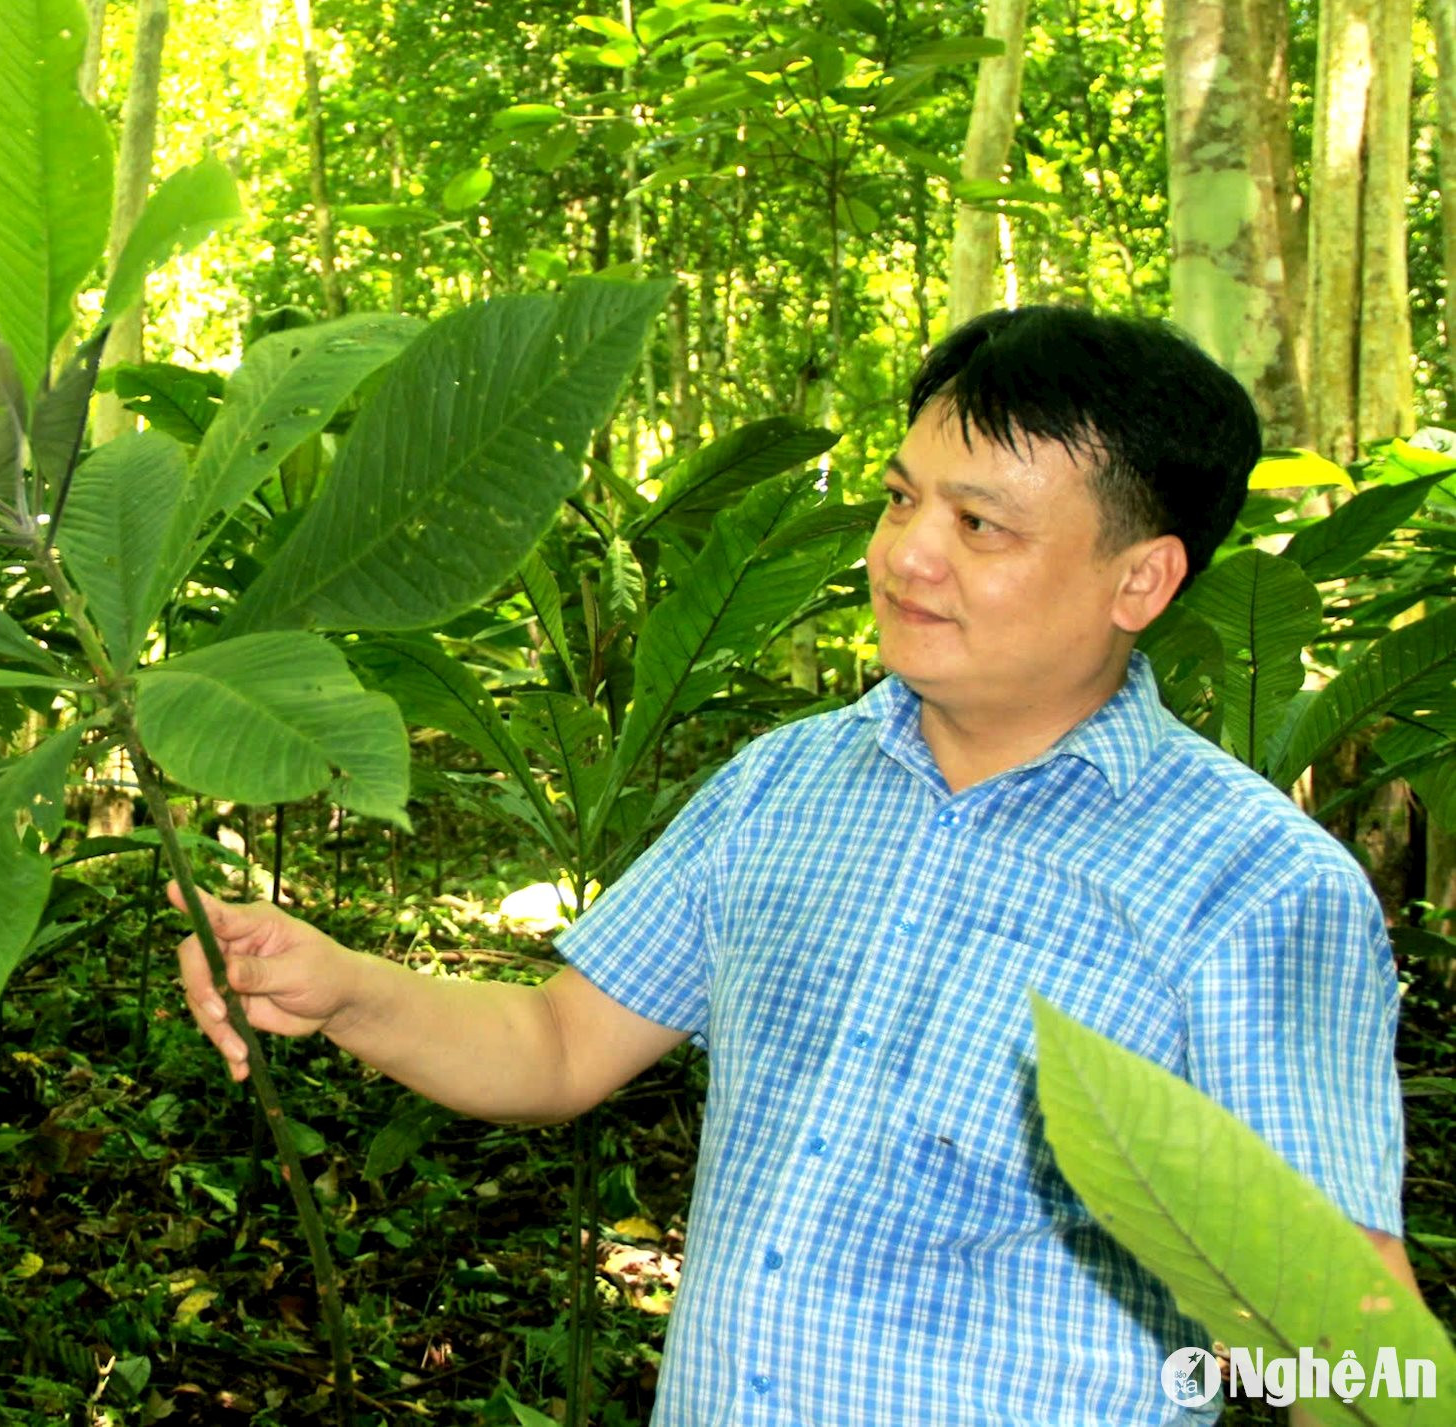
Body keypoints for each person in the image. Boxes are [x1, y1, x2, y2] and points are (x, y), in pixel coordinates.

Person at [171, 306, 1414, 1425]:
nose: (905, 554)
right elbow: (557, 1046)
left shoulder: (1252, 889)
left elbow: (1345, 1344)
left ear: (1139, 577)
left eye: (978, 523)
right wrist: (342, 988)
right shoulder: (782, 784)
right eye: (899, 497)